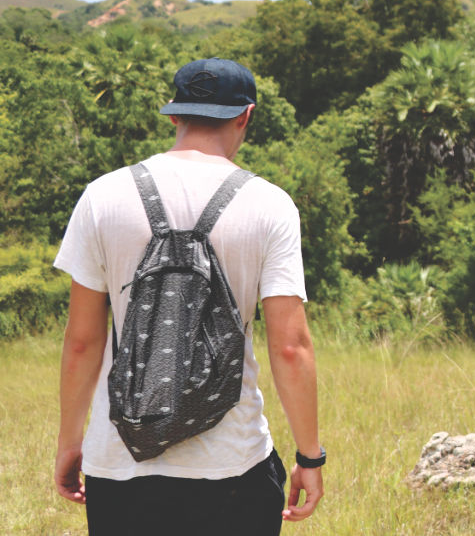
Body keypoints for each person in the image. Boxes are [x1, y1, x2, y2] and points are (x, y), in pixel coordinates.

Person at [53, 58, 325, 535]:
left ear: (174, 115)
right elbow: (290, 346)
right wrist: (309, 455)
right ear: (246, 115)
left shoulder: (102, 196)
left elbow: (81, 342)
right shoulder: (270, 205)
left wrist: (72, 441)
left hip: (120, 464)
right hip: (233, 467)